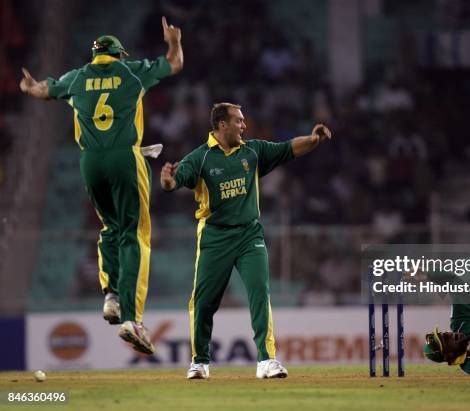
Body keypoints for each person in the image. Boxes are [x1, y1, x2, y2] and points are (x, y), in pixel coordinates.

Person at [19, 17, 184, 355]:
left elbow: (40, 89)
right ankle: (132, 319)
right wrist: (174, 42)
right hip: (125, 158)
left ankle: (110, 294)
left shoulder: (77, 78)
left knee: (110, 227)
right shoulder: (132, 71)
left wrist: (29, 87)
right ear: (119, 55)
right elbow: (175, 63)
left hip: (90, 162)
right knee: (134, 234)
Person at [160, 102, 331, 379]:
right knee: (204, 302)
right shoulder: (200, 158)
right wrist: (167, 181)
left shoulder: (253, 151)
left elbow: (288, 149)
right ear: (222, 125)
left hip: (250, 234)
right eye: (239, 120)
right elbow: (174, 183)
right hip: (215, 236)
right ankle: (200, 362)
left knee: (259, 294)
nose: (244, 125)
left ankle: (266, 361)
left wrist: (313, 140)